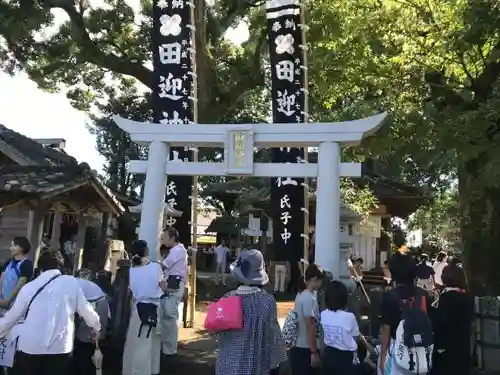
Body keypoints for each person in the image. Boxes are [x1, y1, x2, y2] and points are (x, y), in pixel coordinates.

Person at [0, 249, 100, 375]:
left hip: (30, 347)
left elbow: (11, 318)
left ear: (40, 269)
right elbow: (86, 309)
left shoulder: (29, 287)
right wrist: (96, 326)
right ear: (60, 267)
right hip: (60, 348)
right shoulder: (71, 283)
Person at [214, 249, 286, 375]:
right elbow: (274, 337)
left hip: (227, 365)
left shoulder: (227, 298)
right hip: (254, 366)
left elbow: (215, 331)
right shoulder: (267, 301)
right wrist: (279, 363)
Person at [378, 252, 432, 375]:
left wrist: (382, 359)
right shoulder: (423, 295)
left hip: (398, 352)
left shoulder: (389, 297)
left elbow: (386, 330)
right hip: (422, 354)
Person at [122, 240, 163, 375]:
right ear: (146, 251)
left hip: (137, 308)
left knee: (135, 343)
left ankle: (131, 370)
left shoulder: (131, 270)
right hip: (153, 307)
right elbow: (163, 286)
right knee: (150, 343)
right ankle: (150, 370)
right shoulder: (156, 267)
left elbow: (131, 291)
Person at [321, 280, 374, 375]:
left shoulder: (323, 314)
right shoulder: (349, 317)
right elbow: (358, 338)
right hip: (347, 358)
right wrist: (371, 349)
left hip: (328, 355)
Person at [430, 264, 473, 375]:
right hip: (463, 347)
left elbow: (440, 322)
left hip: (446, 350)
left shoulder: (446, 298)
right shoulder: (468, 297)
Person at [70, 273, 110, 375]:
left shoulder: (69, 285)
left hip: (94, 306)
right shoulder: (75, 282)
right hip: (101, 303)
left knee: (85, 340)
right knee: (93, 340)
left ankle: (84, 368)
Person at [289, 264, 324, 375]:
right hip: (307, 348)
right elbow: (310, 326)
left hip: (298, 346)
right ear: (314, 280)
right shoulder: (310, 299)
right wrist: (313, 352)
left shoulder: (300, 295)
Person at [160, 227, 187, 356]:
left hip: (174, 285)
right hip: (173, 284)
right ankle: (168, 348)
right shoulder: (178, 250)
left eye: (165, 237)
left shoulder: (177, 250)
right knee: (168, 316)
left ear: (172, 238)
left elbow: (163, 266)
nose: (163, 239)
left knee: (169, 317)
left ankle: (170, 350)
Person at [0, 237, 34, 309]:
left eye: (14, 245)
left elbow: (20, 284)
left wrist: (8, 301)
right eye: (11, 246)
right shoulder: (8, 262)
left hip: (15, 303)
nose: (11, 248)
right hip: (2, 300)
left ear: (22, 247)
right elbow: (1, 279)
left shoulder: (26, 264)